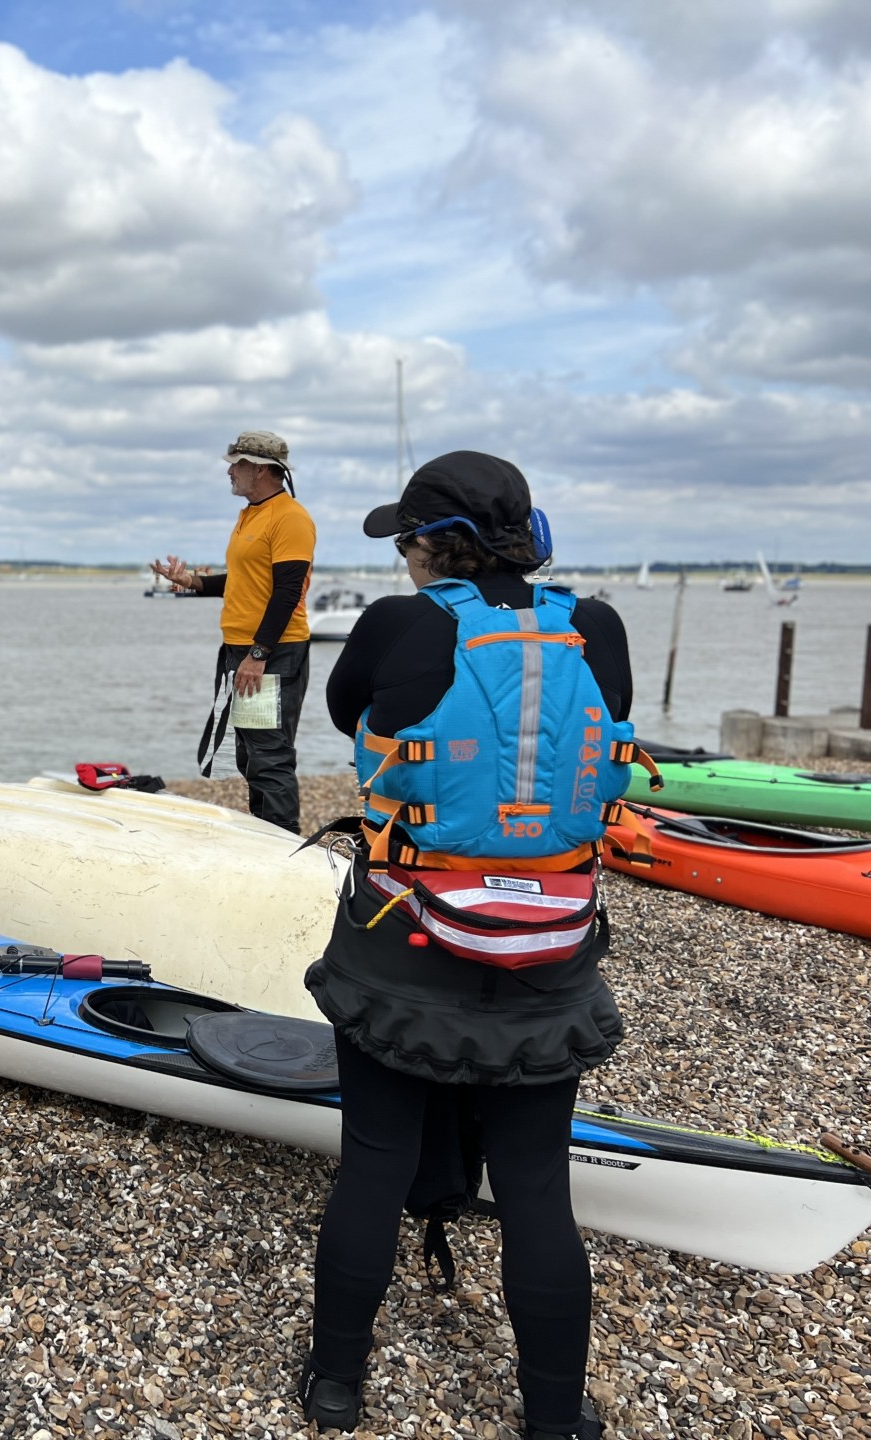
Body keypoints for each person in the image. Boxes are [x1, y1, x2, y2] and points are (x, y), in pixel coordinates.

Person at [296, 452, 644, 1439]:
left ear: (433, 542)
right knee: (538, 1185)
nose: (402, 558)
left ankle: (335, 1388)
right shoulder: (599, 626)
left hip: (405, 937)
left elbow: (344, 715)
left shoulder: (403, 623)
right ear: (529, 539)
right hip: (554, 943)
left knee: (373, 1159)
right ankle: (549, 1416)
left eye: (406, 539)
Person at [151, 429, 316, 833]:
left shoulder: (290, 517)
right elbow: (244, 581)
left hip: (272, 652)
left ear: (260, 470)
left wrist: (258, 655)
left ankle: (281, 840)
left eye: (236, 465)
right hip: (241, 649)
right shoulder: (249, 514)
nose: (230, 473)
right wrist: (191, 581)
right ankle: (265, 830)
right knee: (248, 750)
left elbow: (287, 591)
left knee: (269, 754)